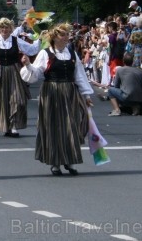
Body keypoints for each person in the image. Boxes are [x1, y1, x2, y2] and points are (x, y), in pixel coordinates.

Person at [20, 23, 93, 176]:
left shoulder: (72, 54)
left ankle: (69, 160)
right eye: (63, 34)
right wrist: (27, 65)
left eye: (67, 34)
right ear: (55, 37)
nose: (67, 37)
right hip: (51, 92)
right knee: (53, 126)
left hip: (69, 91)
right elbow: (36, 74)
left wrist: (86, 95)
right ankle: (55, 163)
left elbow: (79, 75)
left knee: (71, 125)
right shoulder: (45, 53)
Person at [0, 17, 40, 137]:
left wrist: (39, 39)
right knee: (2, 99)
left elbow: (32, 50)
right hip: (0, 73)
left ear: (11, 29)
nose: (4, 29)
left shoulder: (16, 40)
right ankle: (5, 125)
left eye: (7, 27)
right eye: (2, 27)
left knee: (17, 99)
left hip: (14, 72)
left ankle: (14, 125)